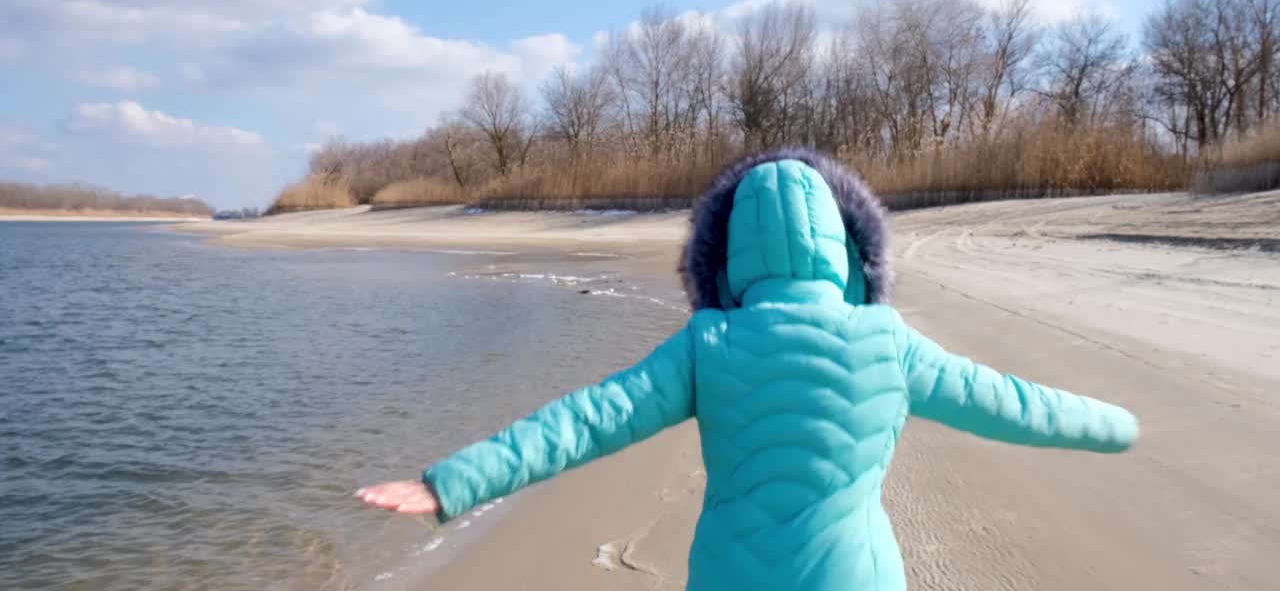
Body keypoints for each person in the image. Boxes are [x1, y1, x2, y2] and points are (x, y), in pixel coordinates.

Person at [356, 149, 1139, 591]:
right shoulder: (888, 340)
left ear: (725, 259)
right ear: (849, 253)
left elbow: (585, 420)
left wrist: (454, 481)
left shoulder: (709, 343)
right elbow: (1013, 404)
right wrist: (1116, 424)